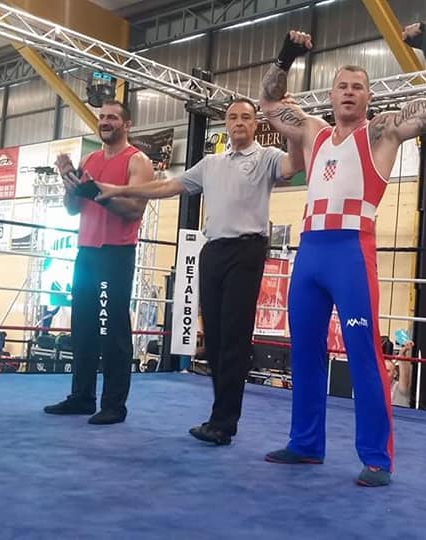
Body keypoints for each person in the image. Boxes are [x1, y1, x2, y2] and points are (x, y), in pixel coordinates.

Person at [258, 24, 426, 486]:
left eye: (358, 87)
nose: (349, 92)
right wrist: (284, 56)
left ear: (369, 96)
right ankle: (305, 443)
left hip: (350, 251)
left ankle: (376, 458)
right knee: (304, 351)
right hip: (310, 252)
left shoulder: (382, 132)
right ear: (331, 95)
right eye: (342, 86)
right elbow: (268, 102)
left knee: (363, 353)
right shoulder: (312, 132)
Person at [95, 97, 305, 445]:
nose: (239, 122)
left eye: (246, 117)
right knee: (215, 340)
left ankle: (224, 422)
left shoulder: (266, 156)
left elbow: (293, 165)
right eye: (233, 117)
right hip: (213, 250)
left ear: (255, 124)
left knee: (234, 337)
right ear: (227, 124)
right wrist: (120, 189)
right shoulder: (211, 163)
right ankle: (219, 416)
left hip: (247, 250)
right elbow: (166, 186)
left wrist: (293, 129)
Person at [43, 99, 153, 425]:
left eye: (113, 117)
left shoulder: (137, 161)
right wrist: (69, 181)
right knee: (83, 328)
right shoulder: (89, 159)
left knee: (112, 329)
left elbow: (134, 209)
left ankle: (114, 405)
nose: (105, 121)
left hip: (115, 252)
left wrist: (94, 192)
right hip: (86, 251)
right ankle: (82, 397)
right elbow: (72, 209)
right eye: (102, 117)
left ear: (127, 124)